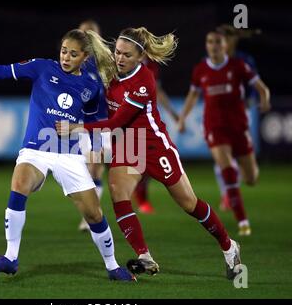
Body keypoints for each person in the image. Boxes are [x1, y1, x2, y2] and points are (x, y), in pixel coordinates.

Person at [0, 29, 135, 281]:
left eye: (73, 54)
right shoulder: (41, 68)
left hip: (69, 154)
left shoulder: (91, 85)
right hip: (36, 149)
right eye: (63, 51)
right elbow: (3, 71)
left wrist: (94, 146)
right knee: (19, 183)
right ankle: (11, 257)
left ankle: (113, 267)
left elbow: (94, 120)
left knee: (94, 214)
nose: (66, 57)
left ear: (85, 57)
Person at [56, 27, 243, 280]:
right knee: (118, 192)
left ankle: (229, 246)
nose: (119, 59)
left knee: (189, 204)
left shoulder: (143, 81)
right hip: (130, 144)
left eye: (127, 55)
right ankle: (144, 256)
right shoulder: (110, 69)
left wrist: (77, 127)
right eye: (117, 52)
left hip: (154, 145)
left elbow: (115, 124)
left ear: (140, 57)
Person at [178, 30, 271, 236]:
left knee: (251, 178)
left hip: (238, 127)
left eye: (217, 42)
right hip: (215, 128)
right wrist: (182, 118)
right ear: (206, 45)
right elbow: (193, 95)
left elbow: (261, 87)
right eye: (210, 41)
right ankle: (242, 221)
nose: (213, 45)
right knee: (227, 170)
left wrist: (264, 99)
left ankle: (233, 171)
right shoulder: (200, 69)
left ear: (225, 45)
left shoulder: (238, 66)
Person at [213, 24, 262, 212]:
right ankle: (227, 193)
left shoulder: (243, 60)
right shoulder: (210, 60)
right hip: (216, 115)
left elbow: (254, 86)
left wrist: (253, 102)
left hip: (240, 113)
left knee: (248, 171)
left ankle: (238, 180)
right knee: (221, 157)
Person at [76, 19, 112, 231]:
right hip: (80, 125)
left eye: (91, 34)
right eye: (83, 33)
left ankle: (91, 217)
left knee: (95, 168)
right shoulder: (75, 62)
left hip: (102, 124)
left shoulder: (106, 62)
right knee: (87, 173)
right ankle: (92, 214)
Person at [133, 57, 179, 214]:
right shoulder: (122, 62)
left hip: (147, 121)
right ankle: (137, 200)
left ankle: (140, 198)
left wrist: (173, 114)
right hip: (127, 121)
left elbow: (157, 91)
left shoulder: (152, 66)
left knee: (146, 164)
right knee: (131, 166)